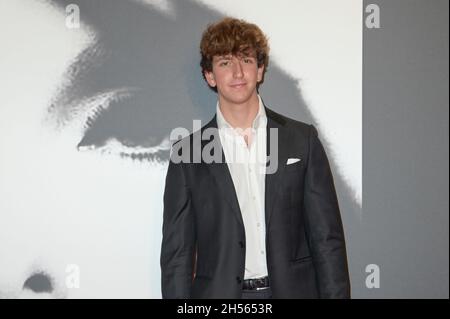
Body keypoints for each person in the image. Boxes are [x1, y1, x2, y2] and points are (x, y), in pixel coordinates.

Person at [160, 17, 350, 299]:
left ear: (260, 69)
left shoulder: (301, 140)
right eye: (225, 62)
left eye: (246, 60)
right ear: (209, 75)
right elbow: (177, 256)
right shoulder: (188, 154)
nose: (237, 73)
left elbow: (327, 240)